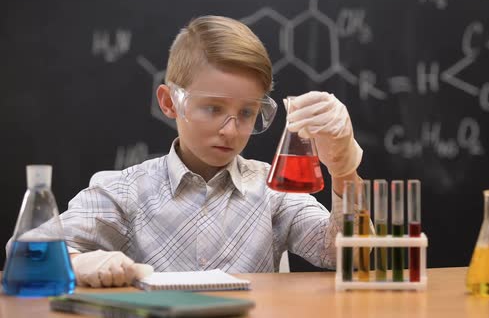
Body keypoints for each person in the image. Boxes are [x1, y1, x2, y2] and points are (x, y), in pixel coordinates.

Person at [30, 16, 363, 288]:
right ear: (169, 102)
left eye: (247, 113)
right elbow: (30, 253)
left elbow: (355, 259)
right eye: (213, 109)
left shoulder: (273, 191)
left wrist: (344, 170)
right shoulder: (125, 191)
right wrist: (76, 262)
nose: (230, 130)